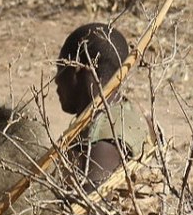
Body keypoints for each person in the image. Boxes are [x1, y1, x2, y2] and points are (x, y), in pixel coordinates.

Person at [55, 22, 153, 188]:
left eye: (60, 68)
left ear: (77, 69)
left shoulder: (103, 139)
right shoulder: (129, 110)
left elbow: (87, 208)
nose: (56, 80)